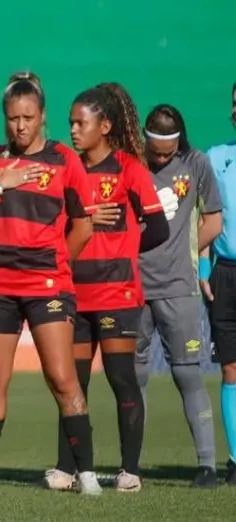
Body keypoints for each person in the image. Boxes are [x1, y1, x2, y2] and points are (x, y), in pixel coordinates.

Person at [0, 72, 99, 495]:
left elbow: (83, 226)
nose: (20, 126)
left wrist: (56, 260)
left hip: (48, 286)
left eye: (28, 118)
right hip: (0, 287)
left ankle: (86, 474)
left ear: (43, 116)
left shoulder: (64, 160)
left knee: (63, 379)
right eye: (13, 118)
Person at [47, 82, 169, 494]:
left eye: (80, 123)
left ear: (105, 126)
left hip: (117, 293)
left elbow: (159, 227)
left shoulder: (129, 169)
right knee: (72, 383)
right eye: (70, 123)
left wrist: (122, 246)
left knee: (121, 379)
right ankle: (67, 468)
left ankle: (129, 470)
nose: (73, 130)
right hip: (74, 293)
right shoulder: (68, 169)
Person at [137, 104, 221, 487]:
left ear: (178, 142)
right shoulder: (132, 163)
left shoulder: (197, 163)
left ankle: (207, 466)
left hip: (179, 289)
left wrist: (186, 252)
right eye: (154, 152)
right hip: (135, 287)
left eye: (166, 153)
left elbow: (214, 220)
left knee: (188, 373)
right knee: (133, 376)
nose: (159, 159)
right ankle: (130, 466)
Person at [203, 81, 236, 485]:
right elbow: (205, 218)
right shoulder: (216, 158)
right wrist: (201, 267)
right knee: (231, 368)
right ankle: (235, 459)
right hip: (226, 273)